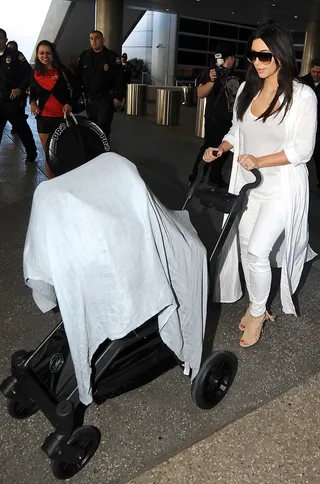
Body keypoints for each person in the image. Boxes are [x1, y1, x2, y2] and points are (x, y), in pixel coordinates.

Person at [203, 23, 317, 347]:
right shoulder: (246, 90)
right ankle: (258, 304)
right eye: (252, 55)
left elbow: (302, 149)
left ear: (281, 53)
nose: (257, 61)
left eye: (264, 55)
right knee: (242, 246)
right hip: (249, 187)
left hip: (281, 188)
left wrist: (259, 161)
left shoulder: (302, 96)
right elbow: (237, 131)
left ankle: (257, 311)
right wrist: (223, 149)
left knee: (256, 251)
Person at [188, 43, 240, 189]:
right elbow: (200, 94)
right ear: (229, 58)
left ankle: (215, 177)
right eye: (232, 58)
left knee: (224, 151)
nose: (233, 61)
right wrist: (212, 81)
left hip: (230, 119)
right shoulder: (211, 72)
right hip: (214, 119)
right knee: (209, 148)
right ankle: (195, 178)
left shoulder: (235, 74)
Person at [29, 40, 81, 178]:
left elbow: (77, 89)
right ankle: (52, 184)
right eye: (41, 53)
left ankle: (66, 182)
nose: (44, 56)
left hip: (62, 118)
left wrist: (70, 103)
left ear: (53, 54)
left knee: (63, 152)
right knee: (48, 154)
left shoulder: (63, 71)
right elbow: (33, 92)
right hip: (44, 119)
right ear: (37, 55)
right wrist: (33, 102)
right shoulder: (35, 73)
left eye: (48, 53)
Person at [76, 30, 125, 139]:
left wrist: (118, 96)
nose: (94, 41)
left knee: (103, 126)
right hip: (90, 98)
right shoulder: (85, 56)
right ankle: (95, 151)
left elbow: (120, 78)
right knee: (92, 126)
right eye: (91, 38)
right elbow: (78, 75)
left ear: (103, 40)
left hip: (106, 98)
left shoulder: (111, 57)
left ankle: (104, 152)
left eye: (97, 38)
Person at [0, 28, 37, 162]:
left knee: (21, 127)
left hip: (12, 99)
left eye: (0, 38)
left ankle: (31, 152)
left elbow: (29, 73)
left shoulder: (15, 55)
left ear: (5, 40)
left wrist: (21, 88)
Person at [301, 59, 320, 188]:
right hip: (304, 123)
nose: (316, 75)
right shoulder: (302, 82)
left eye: (319, 72)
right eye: (313, 71)